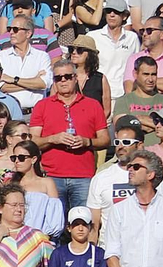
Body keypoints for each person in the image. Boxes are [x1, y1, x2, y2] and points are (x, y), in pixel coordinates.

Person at [30, 58, 110, 209]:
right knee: (54, 220)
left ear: (75, 78)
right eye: (58, 78)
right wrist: (53, 139)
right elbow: (32, 141)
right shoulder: (42, 106)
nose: (63, 81)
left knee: (83, 219)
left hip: (83, 176)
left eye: (67, 76)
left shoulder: (93, 105)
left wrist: (87, 141)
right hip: (52, 176)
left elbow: (105, 139)